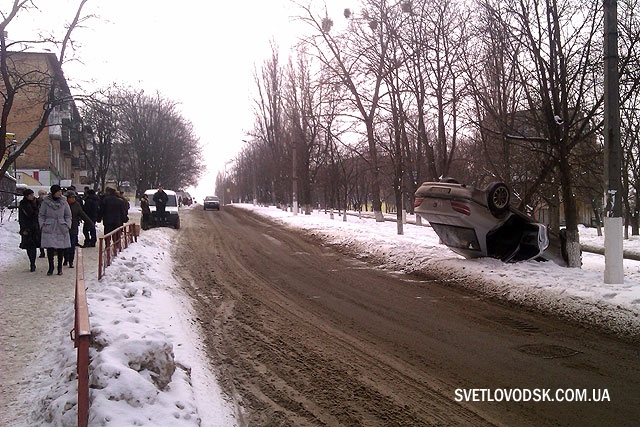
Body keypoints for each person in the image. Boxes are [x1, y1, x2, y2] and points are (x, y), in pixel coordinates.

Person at [39, 184, 71, 276]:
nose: (60, 193)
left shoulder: (64, 202)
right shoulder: (45, 202)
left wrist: (67, 225)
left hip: (61, 226)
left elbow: (68, 215)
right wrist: (42, 225)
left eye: (60, 192)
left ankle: (59, 267)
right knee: (50, 248)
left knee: (61, 248)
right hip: (49, 226)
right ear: (53, 192)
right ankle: (51, 267)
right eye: (58, 192)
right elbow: (41, 215)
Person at [64, 191, 94, 268]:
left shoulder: (76, 205)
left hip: (73, 227)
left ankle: (71, 261)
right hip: (64, 228)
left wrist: (90, 223)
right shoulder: (63, 204)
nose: (73, 199)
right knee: (64, 245)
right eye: (71, 198)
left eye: (74, 198)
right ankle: (65, 259)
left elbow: (82, 214)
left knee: (72, 245)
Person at [18, 188, 40, 272]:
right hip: (27, 227)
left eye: (32, 194)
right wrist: (23, 228)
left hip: (34, 228)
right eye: (30, 195)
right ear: (26, 196)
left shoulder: (35, 203)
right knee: (28, 246)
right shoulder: (23, 205)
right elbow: (21, 218)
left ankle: (32, 263)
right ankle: (31, 261)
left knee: (33, 246)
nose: (32, 196)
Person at [36, 189, 47, 258]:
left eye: (43, 194)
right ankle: (42, 251)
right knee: (41, 237)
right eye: (41, 194)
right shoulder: (37, 201)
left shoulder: (47, 202)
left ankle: (43, 251)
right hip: (41, 221)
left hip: (46, 221)